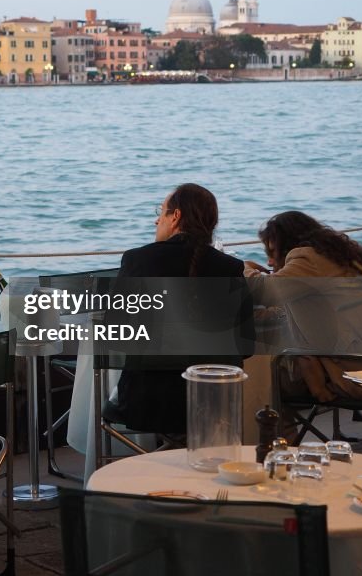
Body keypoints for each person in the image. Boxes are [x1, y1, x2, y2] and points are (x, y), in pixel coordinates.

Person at [106, 183, 254, 435]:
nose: (156, 221)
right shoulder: (230, 267)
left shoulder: (137, 260)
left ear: (175, 217)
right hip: (214, 402)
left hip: (146, 401)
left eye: (160, 212)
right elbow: (246, 346)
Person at [244, 210, 362, 409]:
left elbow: (265, 293)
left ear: (287, 246)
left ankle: (278, 437)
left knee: (260, 376)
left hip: (355, 371)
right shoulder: (341, 257)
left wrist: (242, 266)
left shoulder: (309, 259)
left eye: (272, 253)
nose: (269, 262)